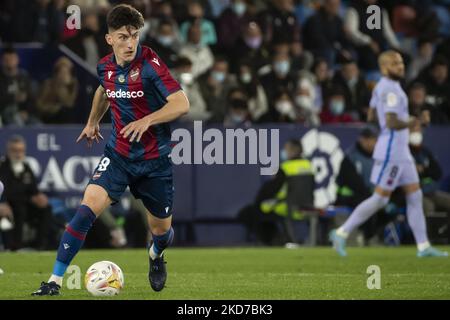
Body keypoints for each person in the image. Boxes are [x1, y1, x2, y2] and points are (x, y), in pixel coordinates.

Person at [32, 4, 189, 296]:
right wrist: (92, 122)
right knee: (85, 208)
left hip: (154, 162)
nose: (129, 43)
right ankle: (53, 282)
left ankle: (155, 255)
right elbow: (105, 89)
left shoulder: (151, 66)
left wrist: (148, 119)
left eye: (134, 36)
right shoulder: (105, 66)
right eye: (122, 37)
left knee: (161, 232)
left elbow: (182, 104)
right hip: (118, 156)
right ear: (109, 39)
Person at [330, 50, 448, 258]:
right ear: (384, 67)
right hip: (392, 152)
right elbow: (392, 122)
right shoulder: (391, 90)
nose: (400, 66)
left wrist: (407, 119)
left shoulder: (383, 88)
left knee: (415, 195)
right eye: (394, 63)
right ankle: (341, 232)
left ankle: (423, 246)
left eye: (401, 62)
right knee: (380, 199)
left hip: (401, 151)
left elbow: (372, 115)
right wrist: (416, 121)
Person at [0, 135, 53, 251]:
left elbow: (33, 189)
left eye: (21, 151)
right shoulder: (3, 167)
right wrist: (2, 203)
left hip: (24, 203)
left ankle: (40, 246)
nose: (18, 154)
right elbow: (5, 190)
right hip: (9, 205)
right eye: (15, 151)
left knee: (46, 208)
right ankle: (14, 247)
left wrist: (38, 196)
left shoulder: (26, 167)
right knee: (18, 209)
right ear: (9, 151)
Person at [409, 124, 450, 224]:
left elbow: (437, 173)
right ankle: (428, 237)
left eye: (418, 130)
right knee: (428, 206)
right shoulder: (403, 152)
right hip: (413, 194)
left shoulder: (425, 152)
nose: (417, 133)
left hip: (430, 191)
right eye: (413, 130)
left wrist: (424, 170)